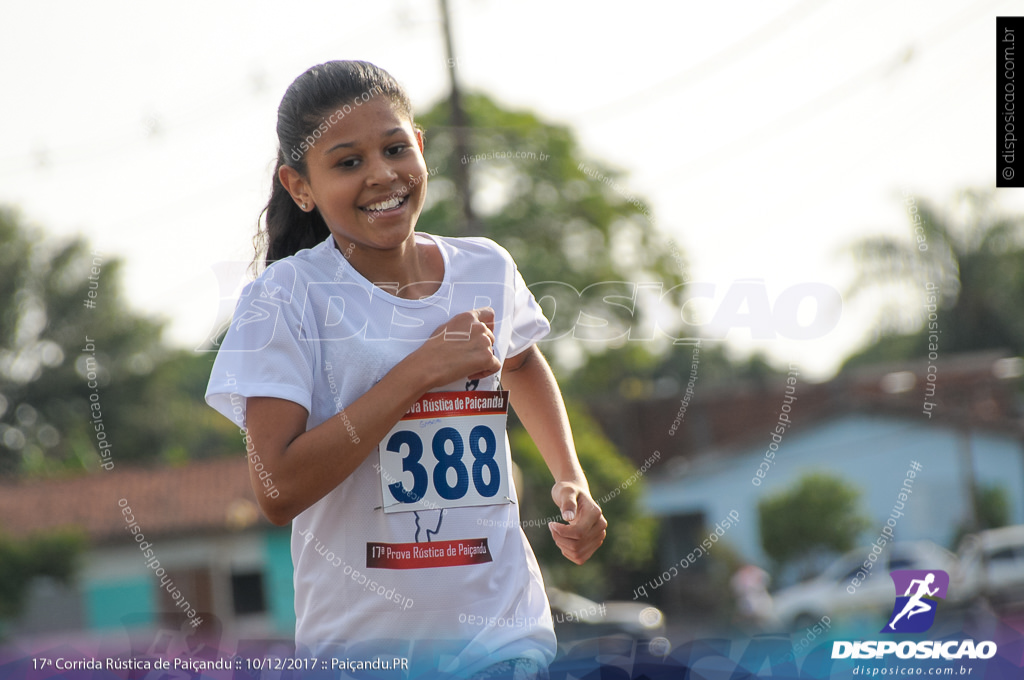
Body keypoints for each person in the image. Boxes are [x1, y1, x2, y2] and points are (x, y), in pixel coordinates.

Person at [205, 60, 606, 678]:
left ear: (420, 148)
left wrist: (569, 477)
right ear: (299, 185)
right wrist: (417, 372)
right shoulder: (287, 297)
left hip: (504, 632)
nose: (382, 175)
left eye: (395, 149)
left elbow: (522, 362)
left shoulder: (486, 268)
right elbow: (277, 488)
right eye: (347, 162)